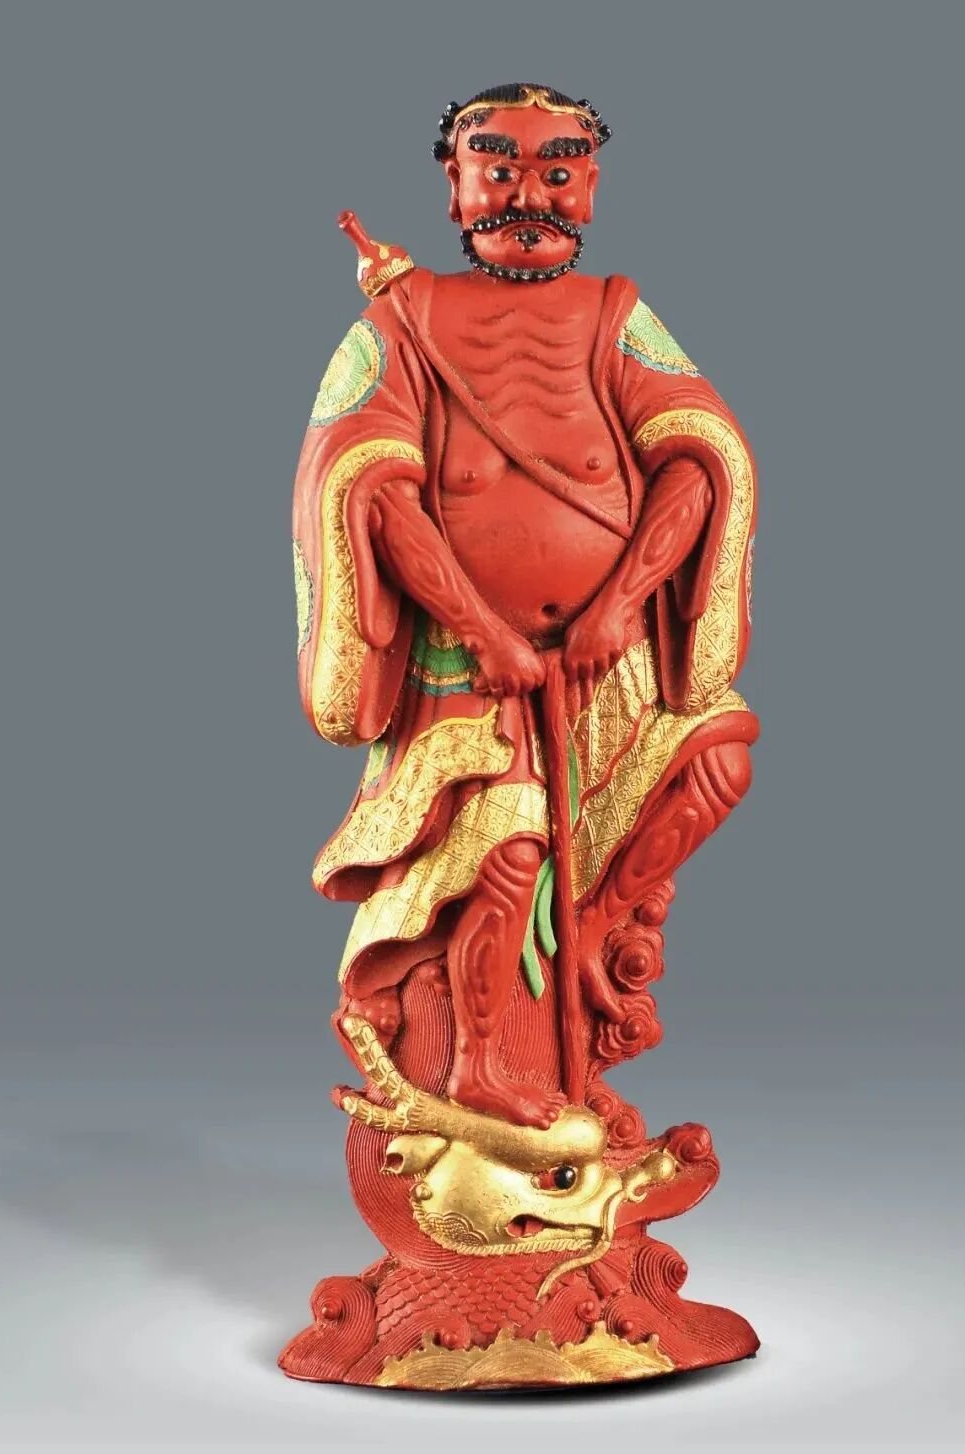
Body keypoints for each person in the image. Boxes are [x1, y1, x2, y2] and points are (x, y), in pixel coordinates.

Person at [293, 83, 757, 1129]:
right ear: (454, 186)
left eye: (557, 171)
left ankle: (594, 936)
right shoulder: (401, 322)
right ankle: (476, 1068)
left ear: (590, 186)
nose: (528, 196)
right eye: (499, 169)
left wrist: (621, 604)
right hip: (466, 663)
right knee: (504, 846)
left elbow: (699, 457)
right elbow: (369, 485)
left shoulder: (619, 316)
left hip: (608, 654)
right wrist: (479, 629)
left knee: (716, 758)